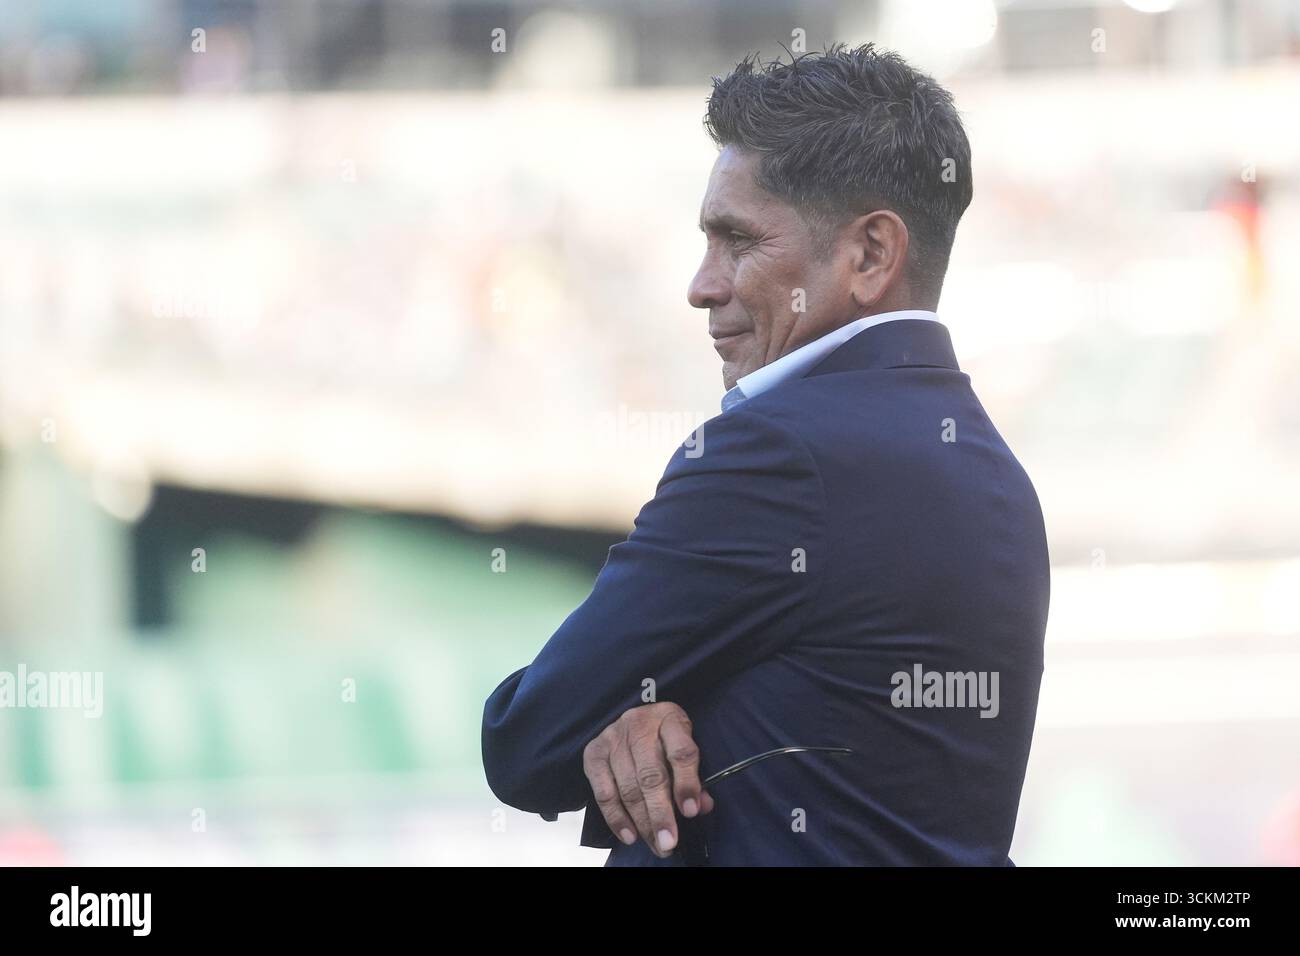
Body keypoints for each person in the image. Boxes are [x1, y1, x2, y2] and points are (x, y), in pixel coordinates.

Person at [482, 43, 1050, 866]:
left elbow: (528, 741)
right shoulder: (998, 474)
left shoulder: (775, 451)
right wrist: (649, 711)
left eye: (736, 241)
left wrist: (648, 708)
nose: (701, 285)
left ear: (870, 256)